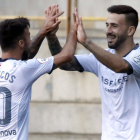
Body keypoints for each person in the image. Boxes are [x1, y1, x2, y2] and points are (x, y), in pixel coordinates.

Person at [47, 5, 140, 140]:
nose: (108, 31)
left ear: (130, 30)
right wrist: (51, 36)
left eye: (114, 26)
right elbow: (65, 64)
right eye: (107, 25)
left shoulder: (137, 55)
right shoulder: (100, 57)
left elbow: (120, 66)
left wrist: (86, 41)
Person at [0, 5, 78, 140]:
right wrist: (73, 30)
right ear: (21, 43)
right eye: (28, 37)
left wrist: (44, 31)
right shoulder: (24, 69)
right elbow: (67, 55)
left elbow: (26, 54)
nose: (30, 40)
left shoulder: (18, 67)